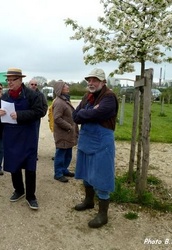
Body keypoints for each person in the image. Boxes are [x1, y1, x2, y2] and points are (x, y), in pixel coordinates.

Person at [72, 68, 119, 228]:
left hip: (102, 143)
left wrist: (88, 112)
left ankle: (103, 214)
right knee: (86, 172)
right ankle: (89, 201)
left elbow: (100, 114)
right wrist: (91, 111)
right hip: (86, 141)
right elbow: (75, 116)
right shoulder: (87, 96)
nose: (91, 83)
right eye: (89, 80)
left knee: (102, 175)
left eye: (95, 80)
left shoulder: (109, 97)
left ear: (103, 82)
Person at [0, 68, 45, 210]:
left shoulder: (31, 95)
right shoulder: (5, 96)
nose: (10, 82)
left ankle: (31, 196)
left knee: (30, 166)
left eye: (13, 80)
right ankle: (19, 190)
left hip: (28, 135)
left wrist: (20, 115)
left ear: (20, 80)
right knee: (14, 165)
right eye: (8, 80)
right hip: (11, 135)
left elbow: (40, 111)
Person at [52, 80, 78, 183]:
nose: (67, 87)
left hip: (68, 133)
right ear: (60, 89)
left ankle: (64, 170)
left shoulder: (65, 100)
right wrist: (69, 127)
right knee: (61, 154)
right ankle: (58, 174)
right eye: (65, 86)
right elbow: (57, 118)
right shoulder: (59, 102)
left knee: (68, 153)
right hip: (63, 133)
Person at [28, 79, 48, 159]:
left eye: (35, 84)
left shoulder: (40, 95)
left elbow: (45, 105)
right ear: (29, 85)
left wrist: (41, 114)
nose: (33, 86)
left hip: (35, 119)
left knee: (34, 137)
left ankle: (33, 154)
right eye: (32, 84)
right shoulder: (24, 94)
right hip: (25, 119)